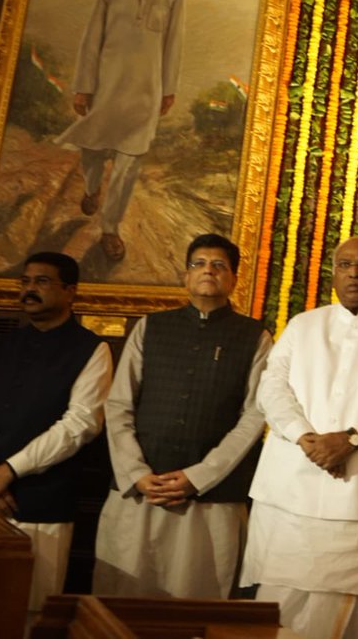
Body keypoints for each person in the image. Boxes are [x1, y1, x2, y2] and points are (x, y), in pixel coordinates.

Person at [242, 237, 358, 639]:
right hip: (290, 492)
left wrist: (352, 439)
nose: (355, 273)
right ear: (333, 272)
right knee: (280, 602)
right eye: (345, 264)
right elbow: (271, 389)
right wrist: (305, 437)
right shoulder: (302, 326)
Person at [93, 233, 269, 598]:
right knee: (122, 601)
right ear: (185, 277)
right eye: (199, 264)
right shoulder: (150, 327)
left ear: (234, 278)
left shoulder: (255, 336)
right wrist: (136, 473)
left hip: (212, 499)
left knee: (196, 602)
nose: (208, 271)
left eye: (219, 265)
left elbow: (254, 416)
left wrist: (198, 477)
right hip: (140, 490)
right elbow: (119, 404)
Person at [0, 251, 112, 614]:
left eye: (42, 282)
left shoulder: (92, 349)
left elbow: (81, 424)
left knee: (24, 611)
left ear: (70, 291)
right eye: (26, 281)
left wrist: (7, 472)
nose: (30, 289)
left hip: (38, 504)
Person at [58, 0, 186, 262]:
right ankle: (90, 188)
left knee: (129, 164)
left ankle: (110, 228)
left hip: (146, 91)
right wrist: (83, 87)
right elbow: (91, 39)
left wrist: (168, 89)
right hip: (106, 87)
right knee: (93, 149)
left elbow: (174, 43)